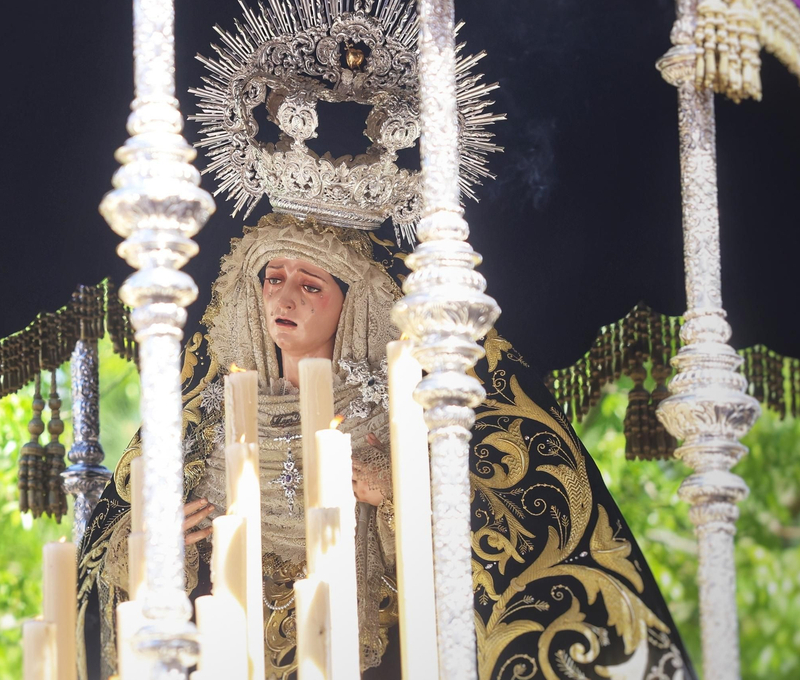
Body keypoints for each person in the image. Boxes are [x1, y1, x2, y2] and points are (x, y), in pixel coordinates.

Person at [76, 213, 692, 679]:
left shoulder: (407, 416)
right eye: (273, 277)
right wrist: (153, 551)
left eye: (310, 285)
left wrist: (398, 493)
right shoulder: (203, 419)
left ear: (355, 305)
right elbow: (124, 580)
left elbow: (493, 552)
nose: (283, 297)